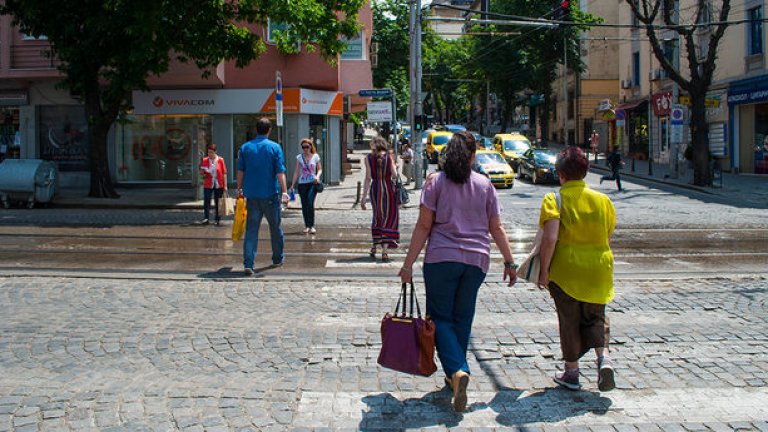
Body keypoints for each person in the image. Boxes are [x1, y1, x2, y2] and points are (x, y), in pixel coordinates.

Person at [398, 131, 517, 412]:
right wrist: (510, 263)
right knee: (462, 319)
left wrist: (407, 264)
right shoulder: (485, 185)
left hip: (441, 260)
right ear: (474, 155)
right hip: (476, 262)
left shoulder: (435, 182)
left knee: (438, 318)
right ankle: (455, 377)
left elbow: (424, 226)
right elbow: (496, 228)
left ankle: (458, 370)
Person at [537, 146, 617, 392]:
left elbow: (550, 238)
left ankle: (572, 372)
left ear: (560, 174)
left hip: (566, 271)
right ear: (585, 172)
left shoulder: (555, 199)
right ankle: (603, 358)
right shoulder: (603, 201)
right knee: (596, 316)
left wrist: (543, 270)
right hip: (599, 270)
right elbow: (609, 232)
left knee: (569, 319)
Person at [236, 118, 290, 276]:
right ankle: (277, 258)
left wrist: (239, 189)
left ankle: (248, 263)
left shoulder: (245, 148)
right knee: (275, 229)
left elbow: (240, 171)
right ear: (269, 130)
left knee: (251, 231)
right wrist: (285, 191)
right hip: (270, 195)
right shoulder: (275, 147)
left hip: (251, 195)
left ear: (256, 129)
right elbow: (280, 172)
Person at [360, 136, 399, 262]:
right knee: (389, 218)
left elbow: (368, 178)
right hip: (388, 189)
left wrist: (363, 197)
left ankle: (374, 246)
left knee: (377, 217)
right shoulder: (388, 157)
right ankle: (385, 251)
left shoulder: (368, 158)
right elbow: (394, 175)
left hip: (375, 189)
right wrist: (397, 166)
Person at [290, 138, 323, 235]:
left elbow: (320, 169)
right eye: (303, 147)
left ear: (310, 147)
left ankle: (312, 225)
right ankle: (307, 226)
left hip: (312, 183)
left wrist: (317, 176)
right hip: (302, 184)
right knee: (304, 204)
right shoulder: (299, 158)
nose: (305, 149)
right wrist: (292, 184)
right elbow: (296, 171)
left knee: (310, 202)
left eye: (307, 147)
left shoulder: (315, 156)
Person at [199, 143, 227, 226]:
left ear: (215, 152)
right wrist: (202, 168)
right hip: (208, 183)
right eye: (208, 152)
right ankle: (206, 218)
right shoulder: (205, 160)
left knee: (218, 201)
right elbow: (201, 173)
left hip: (219, 184)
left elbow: (224, 173)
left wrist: (225, 185)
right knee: (207, 200)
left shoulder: (220, 160)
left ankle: (217, 219)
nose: (210, 154)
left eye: (211, 152)